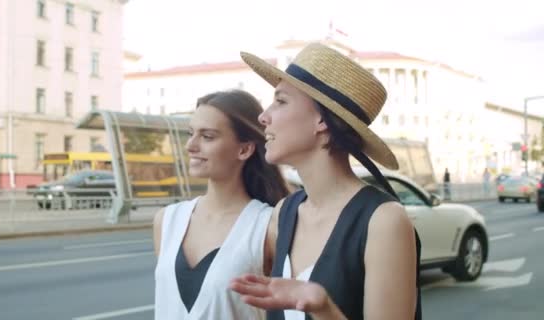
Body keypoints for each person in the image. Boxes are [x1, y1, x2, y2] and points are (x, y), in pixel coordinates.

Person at [229, 43, 421, 320]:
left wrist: (324, 309)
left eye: (280, 101)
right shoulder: (285, 212)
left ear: (321, 120)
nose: (263, 116)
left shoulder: (383, 220)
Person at [152, 90, 290, 319]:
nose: (190, 145)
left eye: (207, 136)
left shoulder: (268, 225)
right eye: (191, 133)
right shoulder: (166, 220)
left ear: (244, 149)